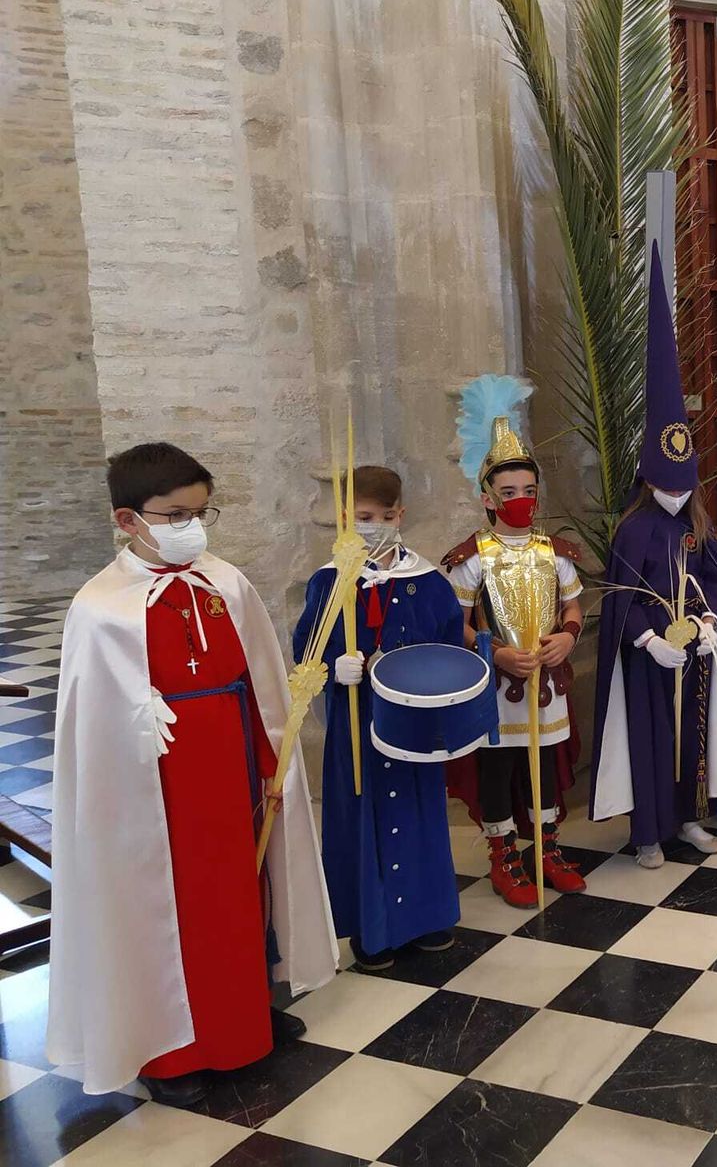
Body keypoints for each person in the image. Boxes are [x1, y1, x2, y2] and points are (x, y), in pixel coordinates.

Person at [48, 443, 336, 1107]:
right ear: (128, 519)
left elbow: (258, 686)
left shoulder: (225, 583)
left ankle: (241, 1026)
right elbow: (92, 729)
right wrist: (131, 719)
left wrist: (271, 765)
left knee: (239, 897)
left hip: (231, 771)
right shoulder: (100, 608)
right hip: (157, 791)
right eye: (175, 514)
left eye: (202, 513)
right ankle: (172, 1047)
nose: (192, 526)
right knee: (172, 910)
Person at [591, 248, 717, 867]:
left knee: (692, 740)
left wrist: (708, 621)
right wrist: (649, 638)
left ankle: (687, 819)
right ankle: (648, 831)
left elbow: (711, 576)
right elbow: (622, 596)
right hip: (651, 657)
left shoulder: (695, 521)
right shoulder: (634, 530)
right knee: (652, 743)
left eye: (687, 485)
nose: (679, 495)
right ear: (649, 477)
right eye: (669, 484)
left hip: (693, 655)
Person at [294, 466, 462, 970]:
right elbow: (308, 644)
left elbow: (449, 641)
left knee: (420, 812)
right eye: (359, 517)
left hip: (414, 720)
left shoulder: (427, 579)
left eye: (379, 517)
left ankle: (427, 918)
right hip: (357, 718)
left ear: (399, 515)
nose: (369, 525)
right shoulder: (331, 580)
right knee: (363, 813)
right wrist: (331, 666)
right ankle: (373, 927)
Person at [442, 380, 588, 905]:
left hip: (547, 681)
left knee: (546, 764)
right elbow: (452, 622)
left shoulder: (556, 551)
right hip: (497, 686)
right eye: (509, 493)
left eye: (529, 491)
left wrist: (568, 637)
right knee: (499, 768)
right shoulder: (471, 556)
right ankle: (504, 855)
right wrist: (496, 651)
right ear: (487, 497)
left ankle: (546, 848)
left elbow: (573, 605)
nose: (521, 500)